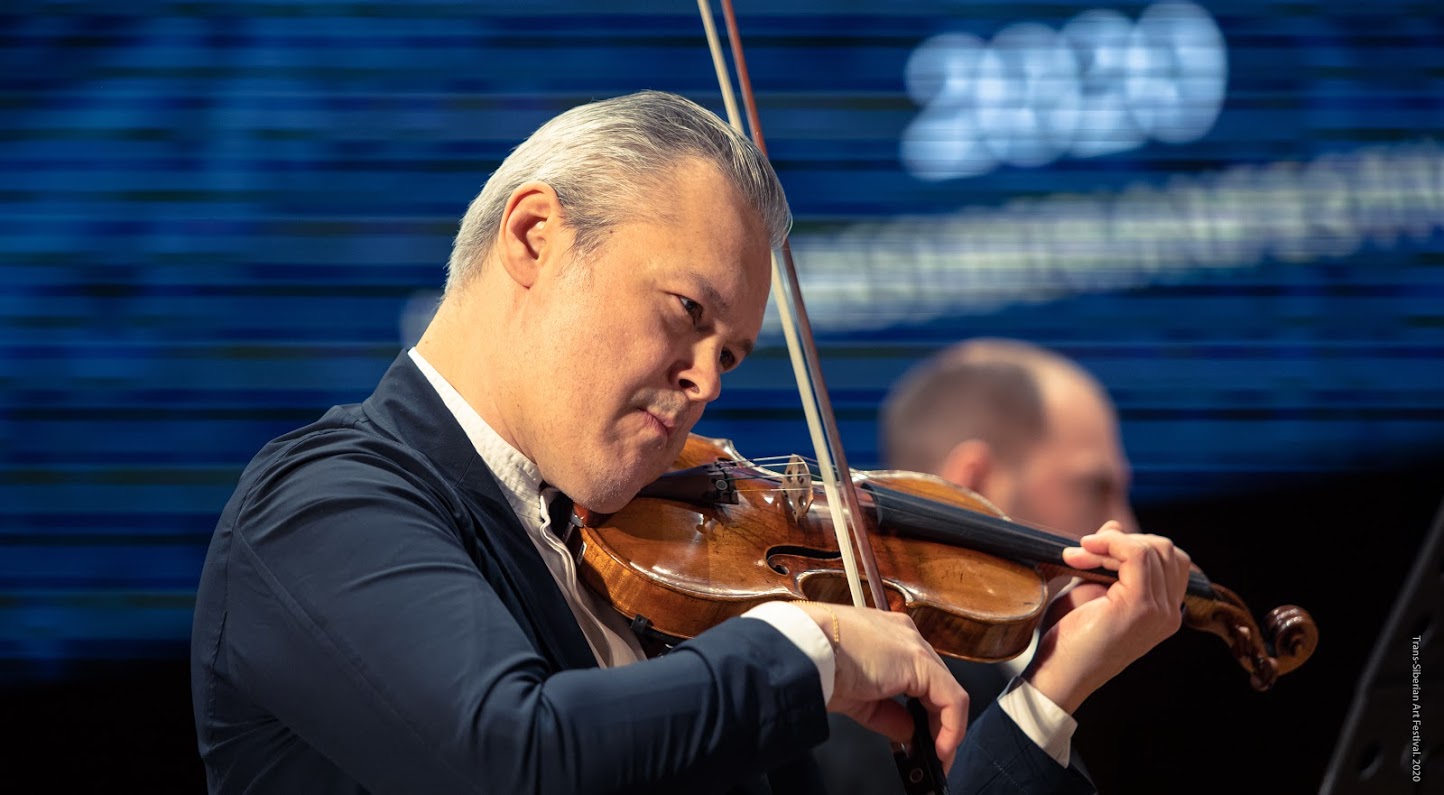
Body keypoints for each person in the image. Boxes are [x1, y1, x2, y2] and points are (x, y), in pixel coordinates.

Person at [189, 90, 1191, 794]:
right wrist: (813, 646)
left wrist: (1046, 699)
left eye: (732, 353)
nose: (708, 382)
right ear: (534, 237)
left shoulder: (657, 568)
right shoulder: (323, 504)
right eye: (686, 311)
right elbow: (512, 755)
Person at [815, 338, 1141, 793]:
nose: (1126, 528)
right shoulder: (867, 691)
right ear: (975, 485)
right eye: (1094, 487)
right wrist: (1044, 698)